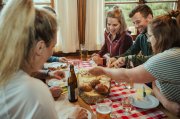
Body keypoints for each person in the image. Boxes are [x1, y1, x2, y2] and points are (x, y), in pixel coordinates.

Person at [0, 0, 87, 119]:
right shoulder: (35, 90)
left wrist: (48, 73)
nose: (52, 52)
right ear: (40, 47)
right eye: (52, 46)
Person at [89, 10, 180, 116]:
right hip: (164, 106)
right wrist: (165, 101)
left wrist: (102, 70)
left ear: (160, 37)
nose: (148, 41)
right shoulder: (170, 53)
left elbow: (127, 76)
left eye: (150, 36)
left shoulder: (167, 57)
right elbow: (154, 84)